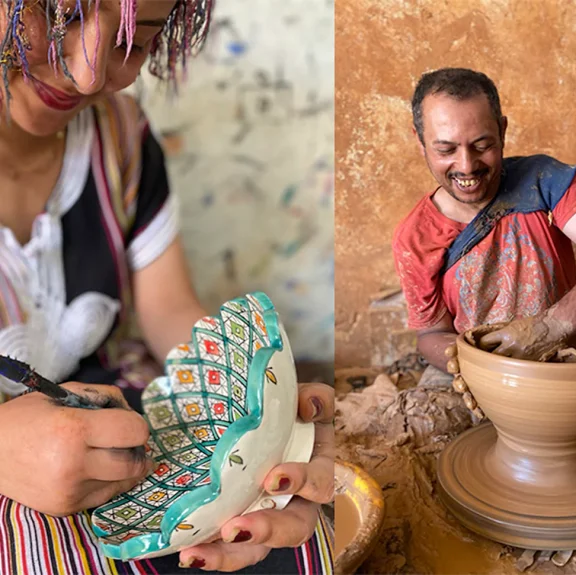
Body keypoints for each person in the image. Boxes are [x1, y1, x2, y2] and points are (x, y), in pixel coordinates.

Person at [0, 1, 333, 573]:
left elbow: (170, 310)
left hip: (114, 408)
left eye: (135, 39)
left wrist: (255, 402)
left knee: (287, 528)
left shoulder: (122, 136)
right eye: (59, 15)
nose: (89, 74)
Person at [392, 67, 576, 382]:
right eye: (446, 149)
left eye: (482, 145)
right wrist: (474, 364)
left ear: (502, 131)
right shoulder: (415, 237)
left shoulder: (543, 181)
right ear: (420, 143)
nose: (466, 166)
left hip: (558, 353)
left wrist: (549, 327)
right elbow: (432, 333)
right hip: (478, 371)